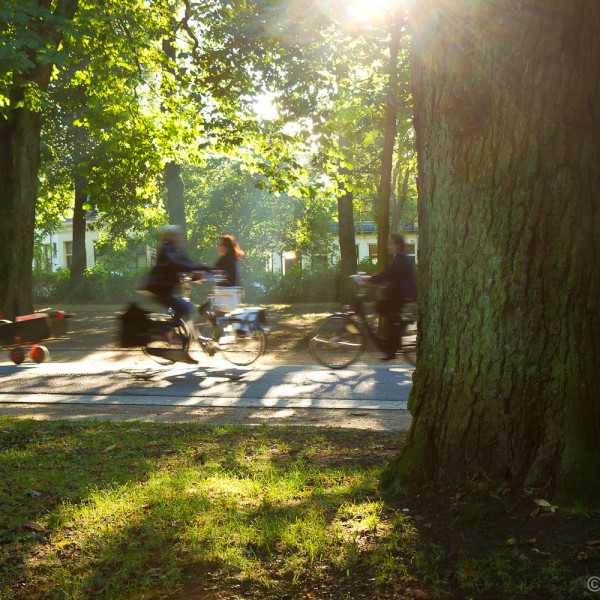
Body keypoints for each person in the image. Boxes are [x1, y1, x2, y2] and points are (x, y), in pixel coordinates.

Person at [364, 234, 417, 361]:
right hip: (399, 293)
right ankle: (396, 334)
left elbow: (390, 273)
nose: (388, 246)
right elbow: (391, 274)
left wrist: (371, 279)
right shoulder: (399, 256)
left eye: (391, 243)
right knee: (382, 308)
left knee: (386, 312)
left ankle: (392, 349)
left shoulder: (401, 257)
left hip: (402, 294)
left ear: (397, 245)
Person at [145, 225, 213, 322]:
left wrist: (209, 269)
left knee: (186, 307)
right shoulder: (167, 250)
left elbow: (189, 263)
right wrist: (196, 269)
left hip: (163, 290)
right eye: (176, 235)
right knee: (183, 309)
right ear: (169, 236)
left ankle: (173, 330)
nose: (180, 237)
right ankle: (169, 332)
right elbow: (179, 264)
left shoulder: (173, 249)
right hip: (159, 290)